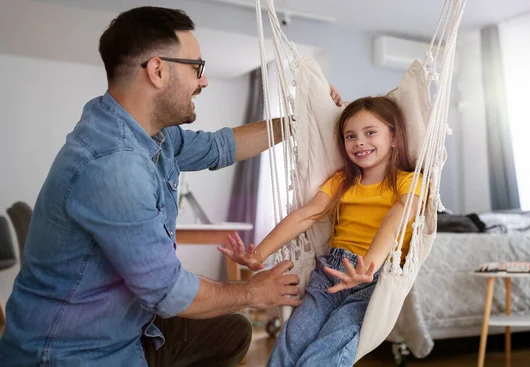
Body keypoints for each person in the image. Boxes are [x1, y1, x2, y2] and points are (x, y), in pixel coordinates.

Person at [0, 6, 342, 367]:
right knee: (228, 311)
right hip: (72, 354)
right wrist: (252, 291)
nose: (203, 81)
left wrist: (297, 122)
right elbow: (168, 291)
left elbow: (220, 146)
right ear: (158, 70)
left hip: (128, 328)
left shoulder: (149, 136)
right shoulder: (113, 165)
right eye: (197, 68)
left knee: (230, 330)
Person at [219, 96, 423, 366]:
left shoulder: (410, 181)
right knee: (291, 341)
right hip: (330, 274)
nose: (359, 141)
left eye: (370, 132)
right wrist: (259, 254)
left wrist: (368, 266)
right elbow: (306, 214)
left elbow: (397, 218)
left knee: (326, 350)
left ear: (394, 138)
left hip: (374, 279)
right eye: (350, 136)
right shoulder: (342, 181)